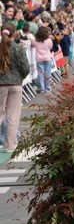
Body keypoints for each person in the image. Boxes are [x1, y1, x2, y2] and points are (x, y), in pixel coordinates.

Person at [0, 22, 31, 152]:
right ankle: (10, 145)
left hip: (1, 84)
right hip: (15, 85)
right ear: (14, 34)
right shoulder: (18, 49)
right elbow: (26, 68)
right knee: (12, 117)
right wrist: (19, 78)